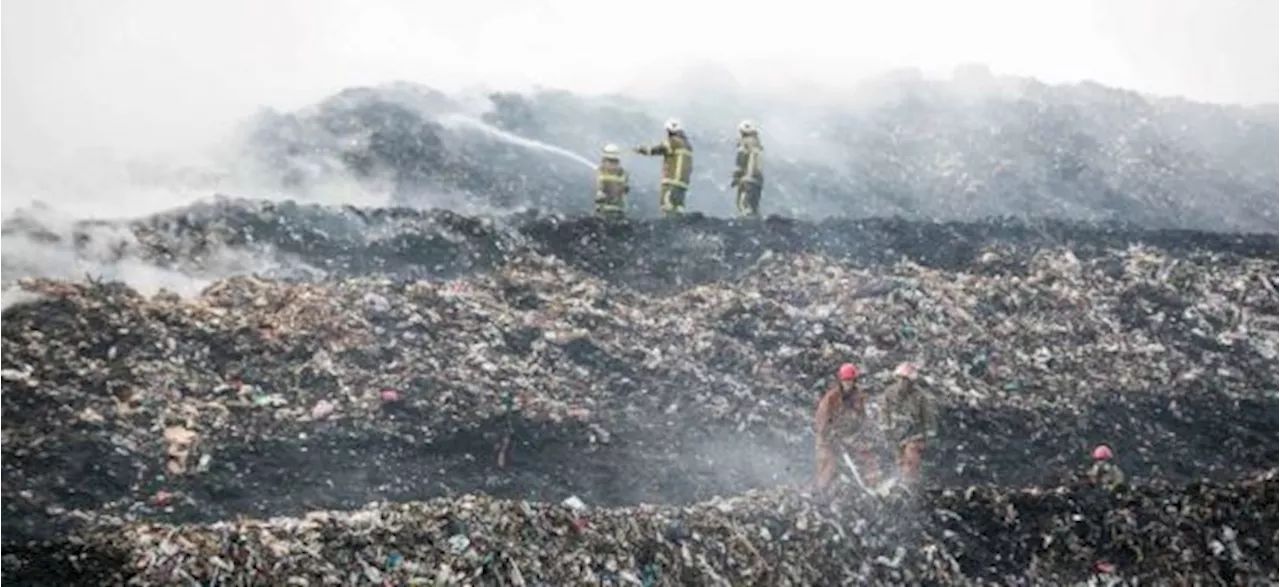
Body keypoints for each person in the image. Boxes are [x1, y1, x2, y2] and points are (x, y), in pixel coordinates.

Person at [814, 363, 879, 491]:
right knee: (829, 463)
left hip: (848, 435)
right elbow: (821, 419)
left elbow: (862, 417)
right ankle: (819, 491)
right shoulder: (831, 397)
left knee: (867, 456)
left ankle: (874, 486)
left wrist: (864, 432)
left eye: (851, 380)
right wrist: (828, 433)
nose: (848, 383)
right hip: (828, 437)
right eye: (846, 381)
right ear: (841, 381)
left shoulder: (859, 397)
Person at [881, 362, 938, 487]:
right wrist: (886, 429)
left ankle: (908, 484)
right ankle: (894, 483)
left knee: (911, 455)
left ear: (911, 382)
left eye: (906, 380)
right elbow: (884, 413)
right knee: (898, 459)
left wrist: (926, 438)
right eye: (900, 379)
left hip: (914, 434)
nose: (902, 383)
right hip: (896, 434)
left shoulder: (920, 396)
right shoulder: (889, 393)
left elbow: (929, 419)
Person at [634, 118, 694, 217]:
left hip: (671, 181)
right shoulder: (687, 145)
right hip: (683, 184)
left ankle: (669, 227)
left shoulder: (673, 141)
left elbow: (658, 149)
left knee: (667, 206)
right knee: (678, 208)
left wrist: (641, 150)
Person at [730, 120, 764, 217]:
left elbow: (741, 161)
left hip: (747, 179)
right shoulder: (758, 145)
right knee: (754, 206)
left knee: (743, 204)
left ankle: (746, 224)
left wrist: (736, 177)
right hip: (758, 180)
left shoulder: (744, 143)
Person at [594, 143, 629, 220]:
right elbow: (601, 187)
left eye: (615, 161)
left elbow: (623, 189)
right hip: (603, 211)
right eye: (610, 161)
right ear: (603, 161)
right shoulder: (600, 172)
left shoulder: (622, 173)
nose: (613, 165)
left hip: (618, 211)